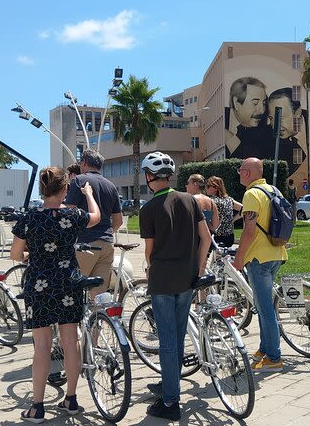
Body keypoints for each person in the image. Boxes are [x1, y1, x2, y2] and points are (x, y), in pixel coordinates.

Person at [11, 167, 100, 423]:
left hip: (39, 285)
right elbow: (96, 216)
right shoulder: (73, 215)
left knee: (42, 346)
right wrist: (89, 193)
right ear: (65, 189)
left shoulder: (29, 217)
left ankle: (37, 407)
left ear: (42, 189)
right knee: (71, 341)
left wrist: (31, 255)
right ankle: (71, 399)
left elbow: (15, 255)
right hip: (68, 282)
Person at [139, 152, 211, 420]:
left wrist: (149, 268)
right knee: (178, 337)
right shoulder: (190, 200)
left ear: (149, 176)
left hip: (163, 280)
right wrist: (200, 266)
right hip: (188, 278)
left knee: (168, 341)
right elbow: (205, 238)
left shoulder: (148, 209)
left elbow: (149, 251)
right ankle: (170, 384)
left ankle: (170, 402)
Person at [232, 157, 287, 372]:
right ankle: (265, 348)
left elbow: (249, 230)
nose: (238, 174)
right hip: (276, 252)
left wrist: (239, 256)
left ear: (247, 172)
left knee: (265, 309)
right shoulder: (273, 190)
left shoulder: (251, 194)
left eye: (240, 170)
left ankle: (274, 357)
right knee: (263, 304)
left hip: (258, 258)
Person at [64, 149, 122, 299]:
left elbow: (68, 213)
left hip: (85, 244)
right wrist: (106, 232)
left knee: (72, 289)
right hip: (107, 245)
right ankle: (98, 320)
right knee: (99, 294)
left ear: (83, 162)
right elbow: (118, 221)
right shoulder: (111, 186)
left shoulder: (79, 180)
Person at [225, 77, 269, 158]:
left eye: (264, 104)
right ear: (236, 103)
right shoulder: (220, 121)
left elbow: (251, 159)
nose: (262, 111)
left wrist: (230, 138)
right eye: (255, 103)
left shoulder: (263, 130)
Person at [267, 88, 307, 176]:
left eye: (280, 118)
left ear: (297, 113)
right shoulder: (273, 141)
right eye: (271, 119)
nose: (274, 125)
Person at [205, 176, 243, 248]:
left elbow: (206, 220)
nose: (206, 188)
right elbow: (243, 209)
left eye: (208, 186)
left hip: (216, 237)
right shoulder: (229, 200)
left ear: (216, 188)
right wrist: (233, 219)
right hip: (229, 236)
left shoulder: (211, 201)